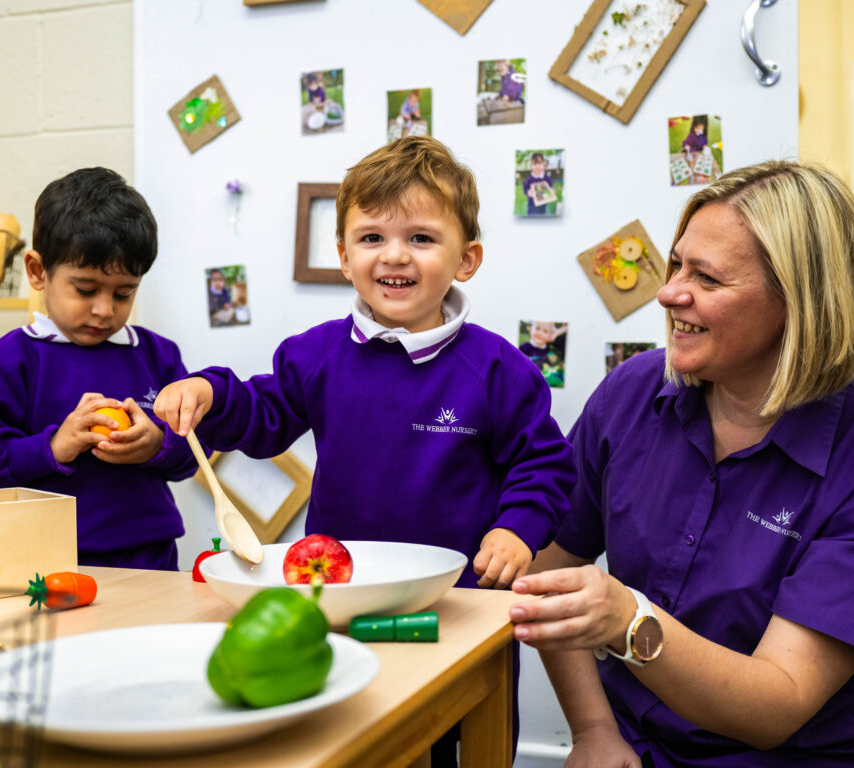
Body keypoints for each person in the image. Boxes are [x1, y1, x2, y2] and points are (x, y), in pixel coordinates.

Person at [154, 136, 576, 763]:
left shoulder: (498, 369)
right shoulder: (314, 354)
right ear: (344, 256)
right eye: (372, 237)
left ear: (467, 258)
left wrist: (518, 530)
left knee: (466, 741)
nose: (394, 256)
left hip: (457, 608)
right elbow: (264, 413)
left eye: (422, 238)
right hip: (338, 602)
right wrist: (210, 393)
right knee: (357, 739)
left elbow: (543, 464)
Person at [509, 160, 854, 767]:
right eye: (677, 264)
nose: (669, 292)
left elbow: (777, 705)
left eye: (707, 277)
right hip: (634, 746)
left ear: (799, 301)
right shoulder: (631, 394)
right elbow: (543, 575)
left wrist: (628, 620)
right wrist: (594, 728)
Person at [0, 167, 200, 570]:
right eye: (85, 289)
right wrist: (51, 448)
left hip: (150, 554)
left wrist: (158, 443)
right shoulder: (10, 361)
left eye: (124, 293)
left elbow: (198, 449)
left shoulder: (158, 355)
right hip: (44, 559)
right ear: (38, 272)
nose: (104, 309)